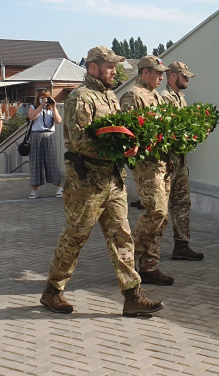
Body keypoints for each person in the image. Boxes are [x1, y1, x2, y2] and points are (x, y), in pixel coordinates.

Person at [40, 45, 163, 316]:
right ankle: (52, 291)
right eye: (109, 67)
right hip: (86, 183)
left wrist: (132, 145)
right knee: (75, 237)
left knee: (122, 237)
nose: (114, 71)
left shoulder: (110, 96)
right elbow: (81, 140)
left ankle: (132, 296)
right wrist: (118, 149)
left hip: (113, 180)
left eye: (115, 67)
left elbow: (117, 132)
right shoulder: (80, 97)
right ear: (93, 67)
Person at [120, 55, 174, 286]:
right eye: (157, 72)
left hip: (164, 163)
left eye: (162, 73)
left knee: (162, 219)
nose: (161, 77)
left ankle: (150, 266)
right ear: (144, 73)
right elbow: (129, 131)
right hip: (147, 165)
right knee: (157, 212)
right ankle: (129, 256)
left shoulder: (156, 96)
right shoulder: (133, 95)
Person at [162, 61, 204, 261]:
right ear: (173, 76)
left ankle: (182, 245)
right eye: (184, 76)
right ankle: (146, 251)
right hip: (166, 163)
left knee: (183, 203)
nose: (187, 80)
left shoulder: (181, 99)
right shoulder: (164, 99)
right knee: (159, 210)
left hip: (180, 162)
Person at [27, 90, 63, 199]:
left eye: (46, 98)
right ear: (38, 98)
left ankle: (59, 186)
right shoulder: (33, 107)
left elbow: (58, 121)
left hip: (49, 135)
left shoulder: (51, 109)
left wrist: (54, 107)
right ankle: (34, 189)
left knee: (52, 161)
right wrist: (41, 105)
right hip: (36, 135)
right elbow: (32, 117)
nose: (44, 99)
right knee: (35, 162)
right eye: (41, 98)